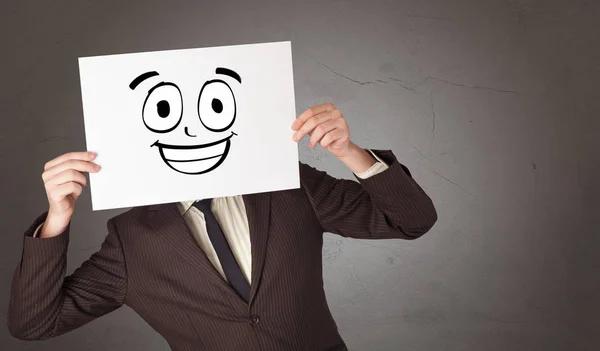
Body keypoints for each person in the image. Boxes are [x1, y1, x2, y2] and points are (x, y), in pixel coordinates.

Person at [8, 102, 437, 350]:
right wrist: (57, 219)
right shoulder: (131, 238)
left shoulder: (287, 184)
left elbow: (412, 220)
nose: (190, 130)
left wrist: (349, 151)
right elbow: (34, 323)